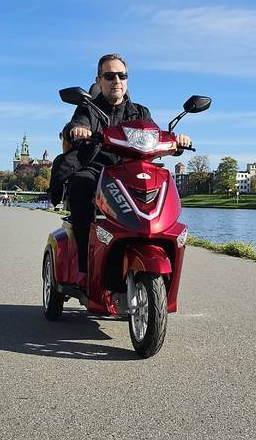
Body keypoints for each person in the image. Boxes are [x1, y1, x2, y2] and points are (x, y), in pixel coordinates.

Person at [61, 53, 191, 275]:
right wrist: (78, 130)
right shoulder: (88, 108)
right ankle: (86, 263)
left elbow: (156, 136)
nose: (117, 81)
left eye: (122, 75)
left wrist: (177, 141)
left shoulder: (140, 112)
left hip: (131, 172)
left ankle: (156, 242)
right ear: (99, 80)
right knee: (80, 186)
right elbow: (77, 124)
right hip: (97, 170)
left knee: (163, 184)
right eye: (110, 76)